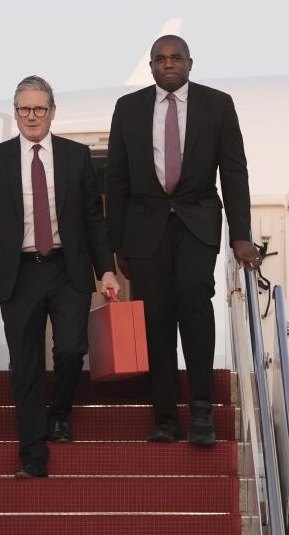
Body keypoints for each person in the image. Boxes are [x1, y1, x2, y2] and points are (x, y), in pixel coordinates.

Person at [0, 75, 120, 477]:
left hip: (66, 267)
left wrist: (106, 269)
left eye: (40, 108)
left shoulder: (76, 157)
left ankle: (59, 412)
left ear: (53, 112)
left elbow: (94, 219)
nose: (32, 116)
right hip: (18, 273)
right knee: (25, 364)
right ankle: (33, 456)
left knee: (73, 349)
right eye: (24, 109)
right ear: (16, 112)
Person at [106, 36, 262, 446]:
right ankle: (164, 417)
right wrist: (115, 242)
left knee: (194, 300)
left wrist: (240, 236)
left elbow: (233, 172)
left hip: (197, 222)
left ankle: (202, 411)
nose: (169, 64)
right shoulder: (129, 108)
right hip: (145, 228)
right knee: (155, 317)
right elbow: (116, 179)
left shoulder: (218, 104)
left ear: (190, 63)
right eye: (161, 59)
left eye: (176, 58)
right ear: (152, 66)